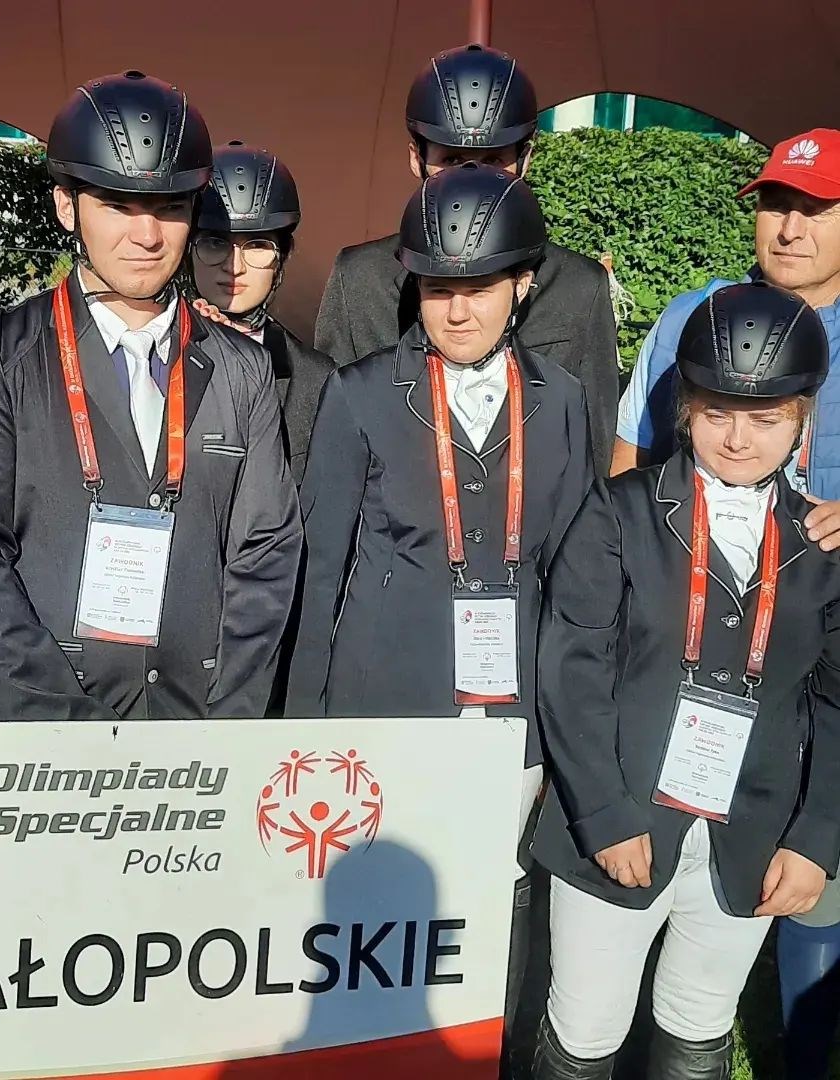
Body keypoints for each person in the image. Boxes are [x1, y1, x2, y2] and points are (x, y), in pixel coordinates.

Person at [287, 162, 592, 1065]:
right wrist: (301, 732)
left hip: (514, 711)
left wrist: (570, 728)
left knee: (494, 900)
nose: (458, 312)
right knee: (377, 912)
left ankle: (486, 1053)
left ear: (523, 284)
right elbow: (320, 568)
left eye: (481, 288)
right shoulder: (360, 393)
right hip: (386, 703)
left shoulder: (563, 401)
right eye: (438, 289)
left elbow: (576, 577)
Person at [532, 282, 840, 1079]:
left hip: (753, 832)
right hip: (621, 821)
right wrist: (602, 812)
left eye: (766, 420)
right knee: (586, 1028)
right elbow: (573, 668)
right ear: (686, 409)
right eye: (717, 413)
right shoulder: (616, 513)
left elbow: (836, 700)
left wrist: (817, 838)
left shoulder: (823, 544)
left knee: (698, 1025)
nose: (738, 438)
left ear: (802, 421)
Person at [0, 72, 302, 722]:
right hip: (49, 733)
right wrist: (59, 722)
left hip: (198, 732)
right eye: (118, 206)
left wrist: (227, 724)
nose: (147, 235)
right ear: (67, 206)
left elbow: (266, 551)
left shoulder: (241, 367)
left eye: (170, 207)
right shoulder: (3, 354)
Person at [611, 130, 840, 1075]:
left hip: (816, 652)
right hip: (688, 644)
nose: (788, 227)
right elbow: (631, 457)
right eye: (776, 203)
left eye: (815, 208)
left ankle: (803, 1048)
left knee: (809, 880)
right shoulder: (692, 314)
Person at [313, 43, 620, 473]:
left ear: (526, 159)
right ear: (416, 158)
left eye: (494, 160)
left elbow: (593, 454)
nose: (472, 180)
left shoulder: (580, 287)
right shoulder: (359, 279)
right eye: (452, 160)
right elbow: (333, 442)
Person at [187, 140, 333, 484]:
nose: (234, 267)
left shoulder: (315, 378)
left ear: (283, 255)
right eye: (215, 243)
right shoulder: (150, 349)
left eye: (256, 246)